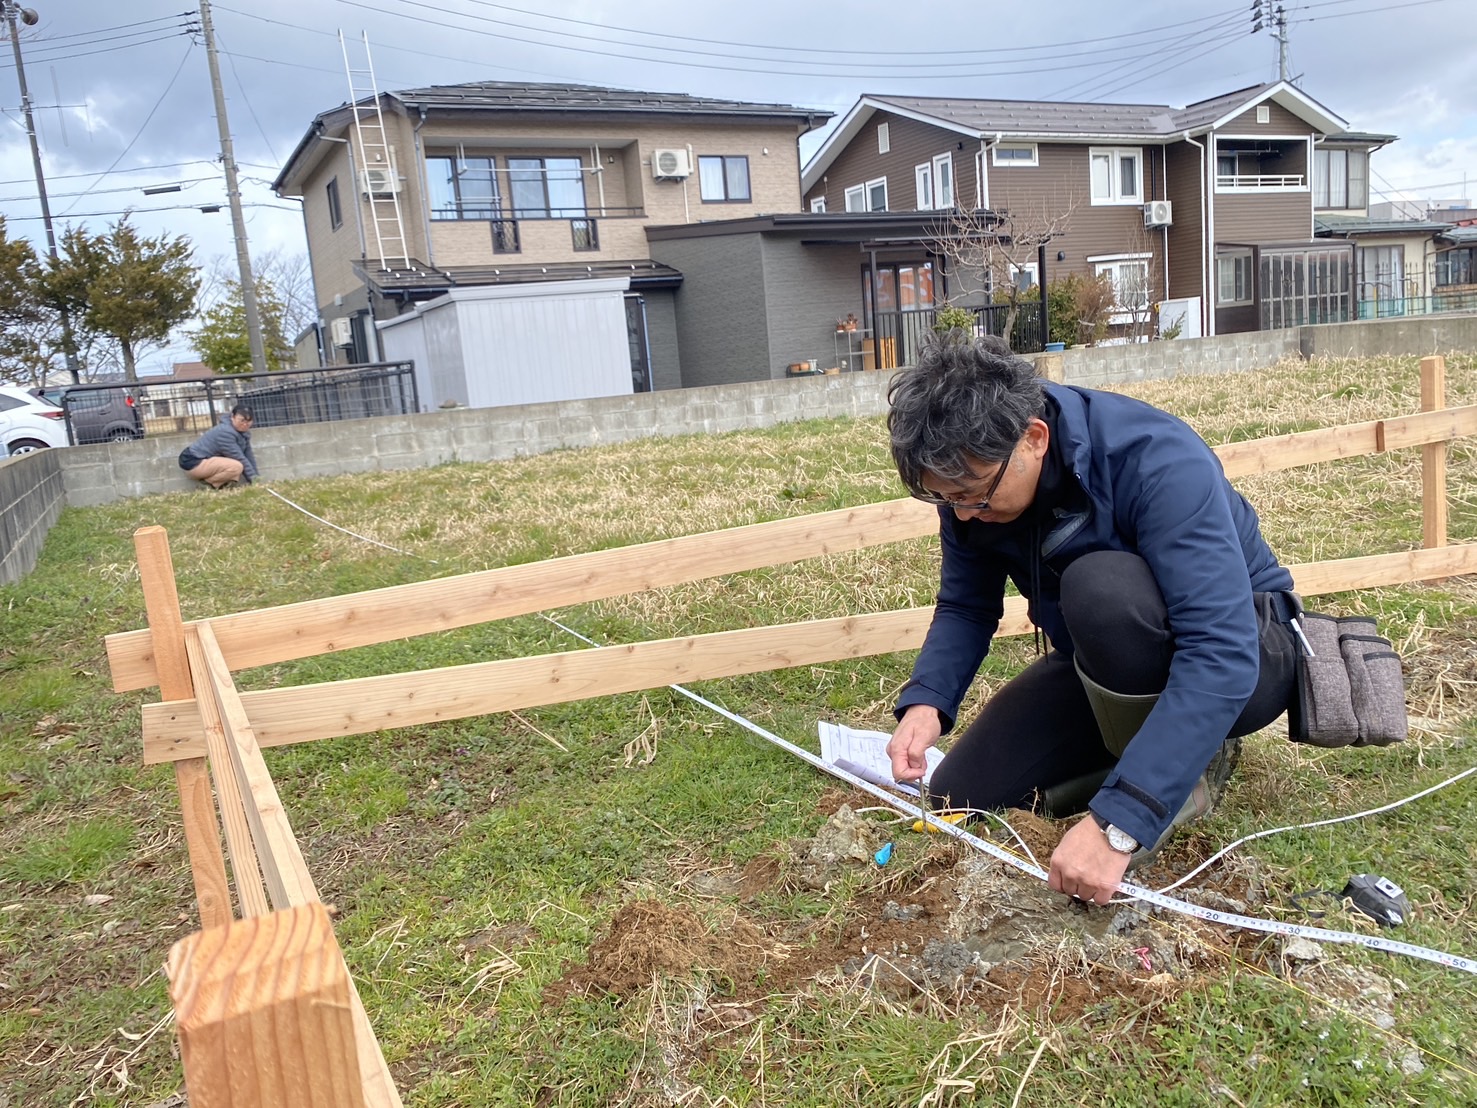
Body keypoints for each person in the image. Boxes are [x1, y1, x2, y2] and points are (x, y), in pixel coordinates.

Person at [884, 332, 1300, 908]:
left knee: (1099, 587)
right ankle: (1144, 762)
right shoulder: (975, 483)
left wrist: (1118, 824)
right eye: (945, 500)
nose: (962, 515)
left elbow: (1221, 651)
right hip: (1101, 663)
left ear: (1034, 438)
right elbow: (966, 604)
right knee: (962, 793)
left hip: (1247, 653)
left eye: (973, 496)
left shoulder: (1154, 458)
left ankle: (1186, 769)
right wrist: (928, 701)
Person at [178, 404, 258, 489]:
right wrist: (254, 480)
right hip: (193, 462)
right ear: (232, 417)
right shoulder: (225, 432)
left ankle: (219, 486)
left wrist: (257, 477)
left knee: (235, 468)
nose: (245, 424)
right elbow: (239, 457)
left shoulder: (244, 433)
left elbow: (249, 455)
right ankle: (207, 485)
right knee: (236, 467)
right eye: (241, 420)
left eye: (249, 421)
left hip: (205, 460)